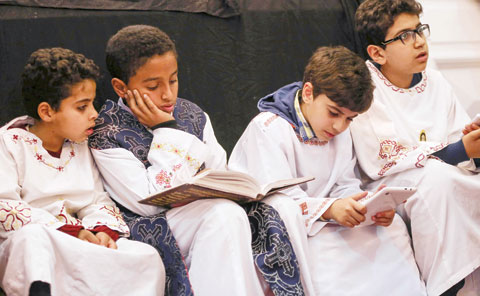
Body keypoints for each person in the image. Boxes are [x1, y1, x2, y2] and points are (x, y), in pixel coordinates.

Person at [88, 24, 309, 295]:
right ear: (122, 87)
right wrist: (166, 128)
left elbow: (217, 168)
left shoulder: (192, 113)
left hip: (202, 208)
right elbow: (146, 203)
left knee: (283, 207)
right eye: (153, 86)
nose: (168, 94)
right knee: (223, 215)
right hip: (150, 226)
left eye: (173, 80)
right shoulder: (107, 130)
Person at [228, 45, 426, 296]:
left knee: (393, 227)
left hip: (323, 218)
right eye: (333, 113)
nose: (340, 125)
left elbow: (345, 183)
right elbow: (277, 205)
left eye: (350, 118)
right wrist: (331, 210)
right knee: (329, 249)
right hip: (281, 228)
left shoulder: (339, 132)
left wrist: (367, 207)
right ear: (308, 92)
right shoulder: (268, 129)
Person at [0, 47, 165, 296]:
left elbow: (96, 200)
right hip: (33, 246)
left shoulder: (82, 146)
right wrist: (72, 231)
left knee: (146, 256)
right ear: (47, 111)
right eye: (82, 107)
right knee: (32, 239)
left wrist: (101, 232)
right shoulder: (9, 143)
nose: (94, 115)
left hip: (79, 242)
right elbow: (4, 206)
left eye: (93, 104)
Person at [351, 0, 480, 295]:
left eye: (420, 29)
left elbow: (458, 140)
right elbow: (382, 159)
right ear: (377, 52)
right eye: (405, 36)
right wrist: (460, 150)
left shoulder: (436, 82)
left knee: (445, 179)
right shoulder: (365, 88)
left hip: (445, 175)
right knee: (438, 182)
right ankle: (448, 286)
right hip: (389, 183)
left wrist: (472, 145)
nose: (419, 41)